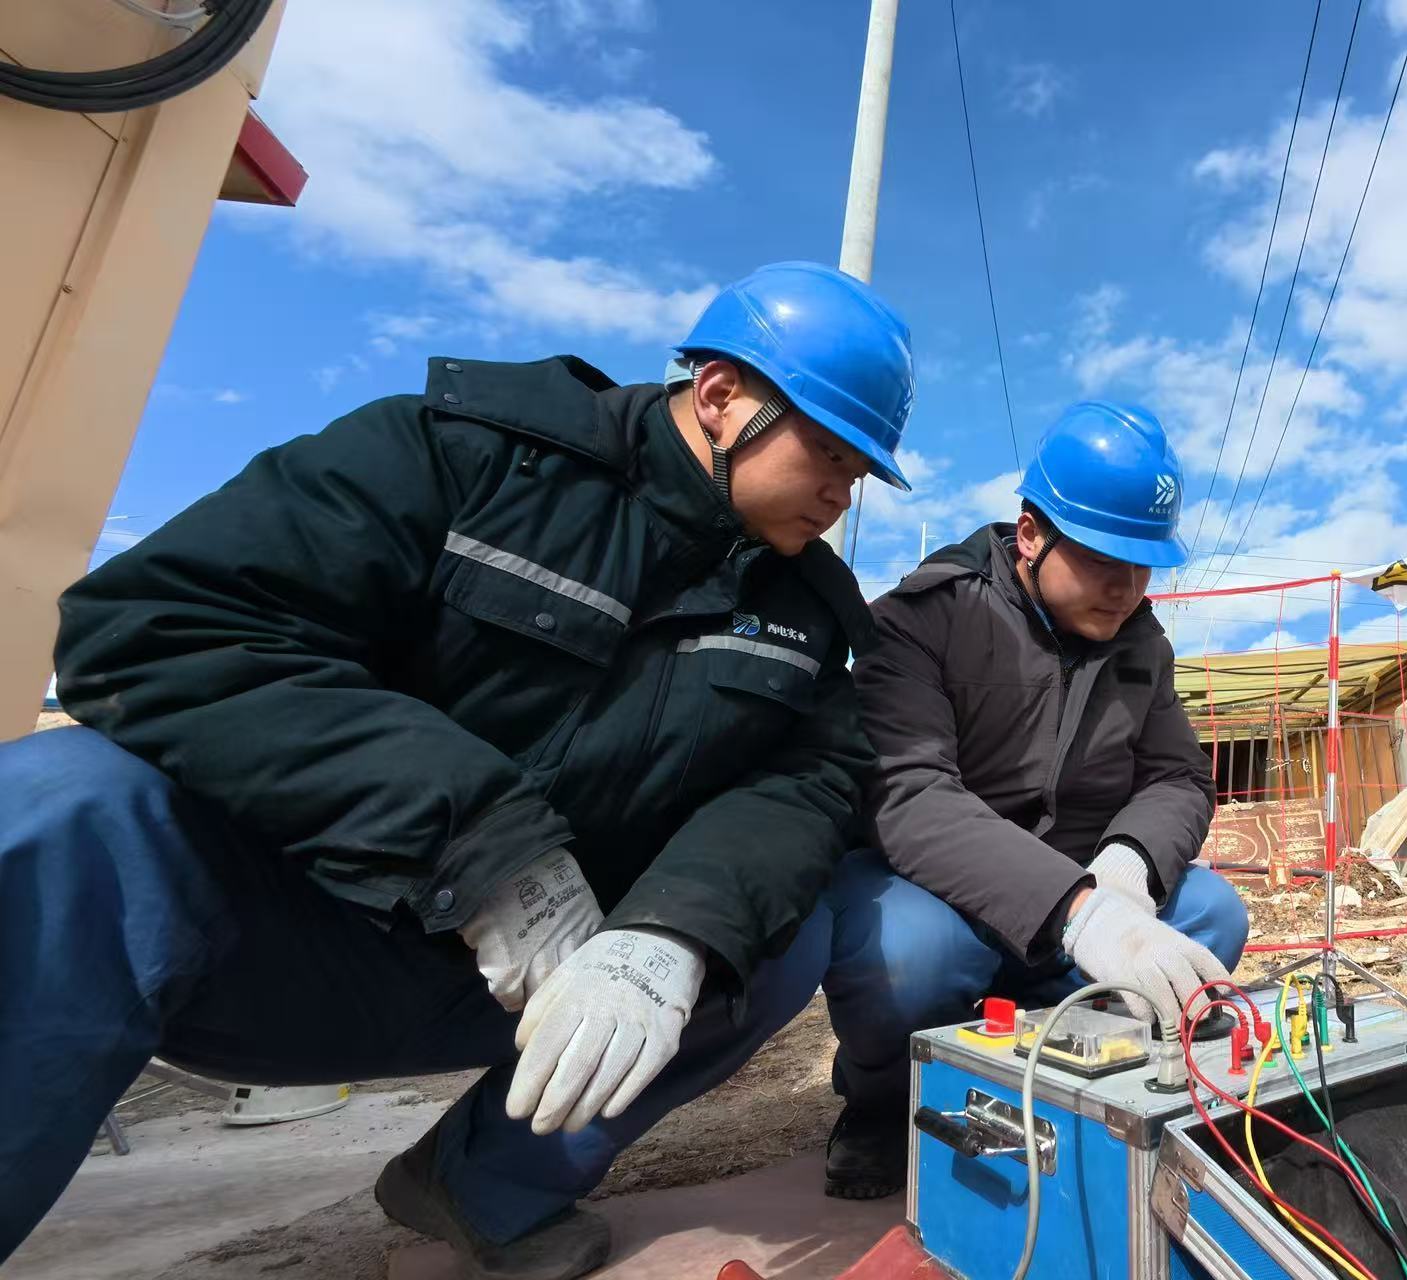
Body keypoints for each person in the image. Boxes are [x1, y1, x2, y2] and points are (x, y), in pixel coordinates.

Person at [0, 262, 916, 1280]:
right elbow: (161, 627)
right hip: (289, 933)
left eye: (859, 473)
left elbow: (804, 786)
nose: (840, 494)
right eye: (828, 453)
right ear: (720, 395)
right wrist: (486, 851)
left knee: (775, 935)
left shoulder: (807, 612)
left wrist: (672, 932)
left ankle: (481, 1183)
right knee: (69, 801)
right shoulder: (463, 458)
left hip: (545, 978)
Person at [818, 400, 1250, 1200]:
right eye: (1103, 559)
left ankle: (1088, 1083)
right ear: (1030, 535)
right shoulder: (923, 620)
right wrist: (1079, 911)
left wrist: (1127, 869)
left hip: (1086, 892)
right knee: (904, 951)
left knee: (1212, 911)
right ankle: (886, 1102)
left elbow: (1179, 776)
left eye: (1144, 564)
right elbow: (909, 790)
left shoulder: (1142, 646)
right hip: (942, 894)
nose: (1126, 588)